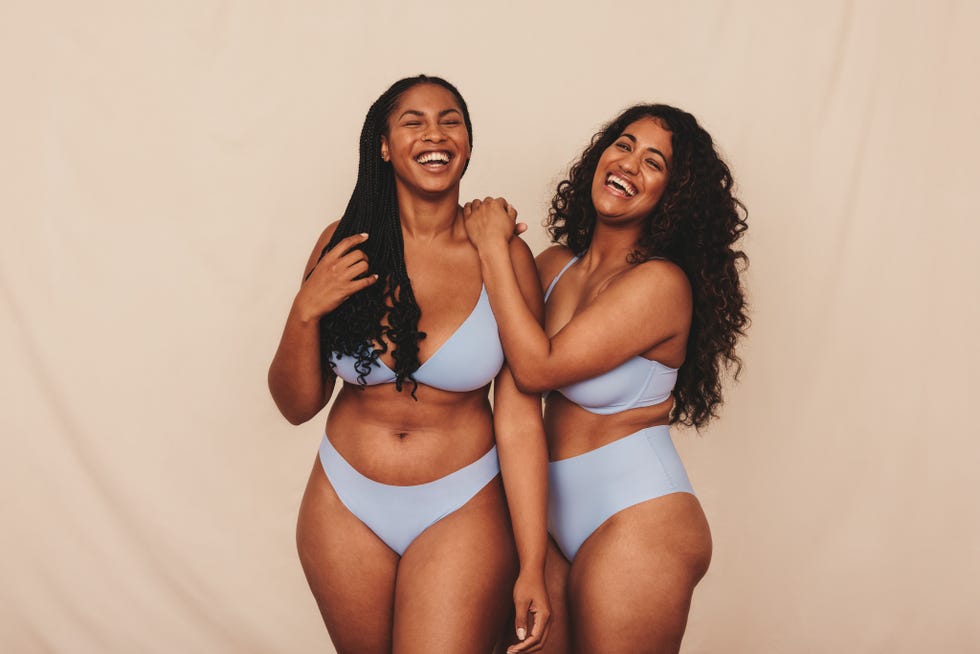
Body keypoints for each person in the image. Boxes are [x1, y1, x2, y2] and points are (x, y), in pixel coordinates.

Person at [267, 75, 551, 654]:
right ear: (384, 145)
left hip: (462, 504)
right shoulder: (343, 244)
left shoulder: (503, 253)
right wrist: (304, 312)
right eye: (413, 121)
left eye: (450, 119)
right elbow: (296, 406)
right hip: (342, 504)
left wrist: (533, 562)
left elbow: (520, 419)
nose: (435, 133)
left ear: (467, 142)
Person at [462, 103, 748, 653]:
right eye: (623, 145)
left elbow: (536, 367)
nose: (629, 164)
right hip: (545, 521)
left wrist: (493, 246)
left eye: (654, 162)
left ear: (675, 193)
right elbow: (507, 378)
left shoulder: (661, 285)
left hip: (637, 517)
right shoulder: (551, 266)